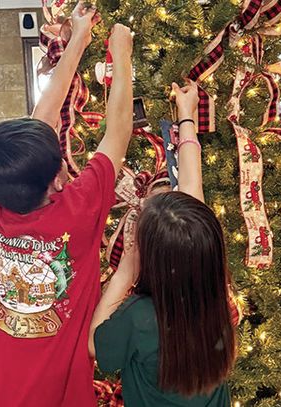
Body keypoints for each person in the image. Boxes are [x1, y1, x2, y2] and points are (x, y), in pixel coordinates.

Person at [0, 4, 133, 406]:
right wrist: (122, 53)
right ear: (58, 173)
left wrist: (79, 38)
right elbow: (119, 132)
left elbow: (43, 116)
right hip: (58, 393)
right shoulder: (77, 210)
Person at [89, 81, 237, 406]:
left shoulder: (138, 318)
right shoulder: (213, 303)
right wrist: (186, 117)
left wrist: (124, 272)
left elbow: (95, 344)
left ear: (151, 259)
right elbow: (192, 193)